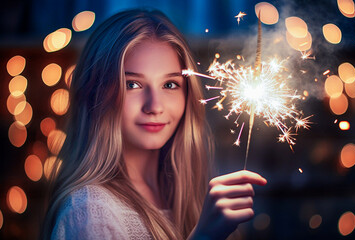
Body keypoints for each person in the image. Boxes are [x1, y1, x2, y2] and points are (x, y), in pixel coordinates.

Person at [41, 9, 267, 240]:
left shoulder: (192, 200)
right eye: (133, 84)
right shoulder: (90, 212)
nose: (154, 106)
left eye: (170, 85)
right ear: (95, 94)